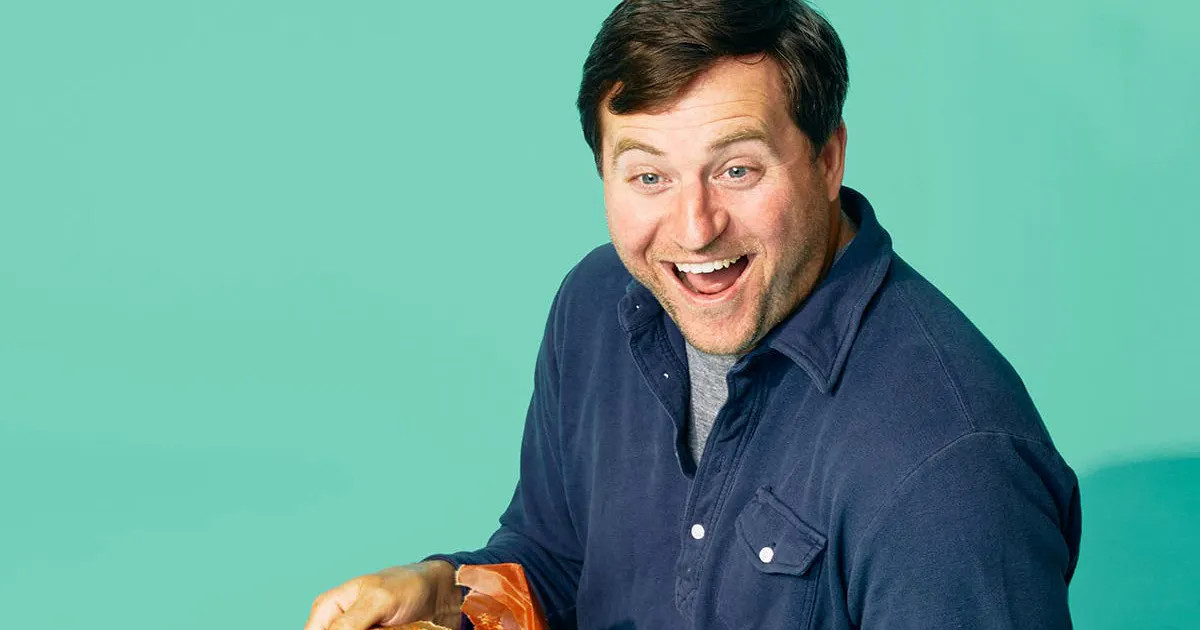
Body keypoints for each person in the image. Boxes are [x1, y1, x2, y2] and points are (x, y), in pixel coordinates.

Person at [302, 1, 1082, 628]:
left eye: (736, 169)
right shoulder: (596, 306)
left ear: (827, 159)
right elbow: (555, 562)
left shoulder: (950, 465)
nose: (694, 229)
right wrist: (448, 597)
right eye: (649, 177)